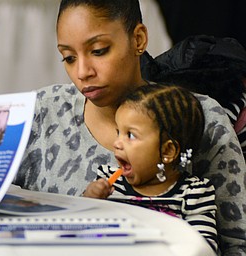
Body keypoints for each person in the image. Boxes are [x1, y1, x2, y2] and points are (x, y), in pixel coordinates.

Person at [0, 0, 245, 254]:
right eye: (68, 57)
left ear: (138, 38)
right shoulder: (42, 113)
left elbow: (237, 243)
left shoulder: (198, 119)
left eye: (98, 51)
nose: (82, 72)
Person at [83, 83, 217, 251]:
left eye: (130, 135)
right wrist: (89, 199)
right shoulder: (108, 183)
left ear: (168, 151)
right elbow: (79, 231)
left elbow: (204, 249)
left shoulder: (193, 194)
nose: (116, 143)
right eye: (118, 133)